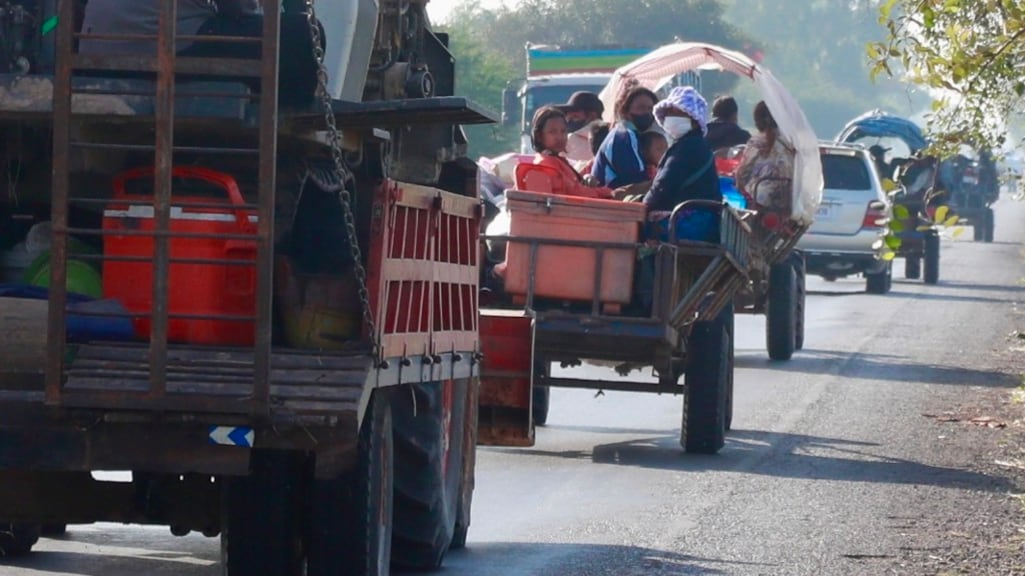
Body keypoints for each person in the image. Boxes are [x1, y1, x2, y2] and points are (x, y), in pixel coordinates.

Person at [642, 86, 721, 241]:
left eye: (677, 113)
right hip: (704, 222)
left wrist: (641, 205)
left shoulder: (688, 147)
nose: (670, 117)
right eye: (669, 113)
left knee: (635, 229)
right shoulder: (694, 145)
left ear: (693, 119)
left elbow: (663, 187)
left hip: (691, 224)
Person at [527, 106, 614, 199]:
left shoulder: (556, 159)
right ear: (539, 136)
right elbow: (574, 192)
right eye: (552, 132)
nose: (559, 137)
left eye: (563, 131)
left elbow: (572, 184)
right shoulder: (547, 163)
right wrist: (610, 192)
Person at [590, 84, 659, 189]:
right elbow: (635, 179)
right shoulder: (624, 137)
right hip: (609, 201)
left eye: (650, 108)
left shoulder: (632, 135)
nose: (647, 113)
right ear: (625, 111)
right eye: (641, 108)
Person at [735, 100, 795, 214]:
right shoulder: (791, 143)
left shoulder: (756, 142)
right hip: (787, 201)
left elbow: (742, 173)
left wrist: (739, 184)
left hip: (760, 199)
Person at [555, 91, 606, 164]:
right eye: (568, 118)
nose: (569, 122)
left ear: (592, 116)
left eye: (575, 117)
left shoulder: (569, 140)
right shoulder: (612, 136)